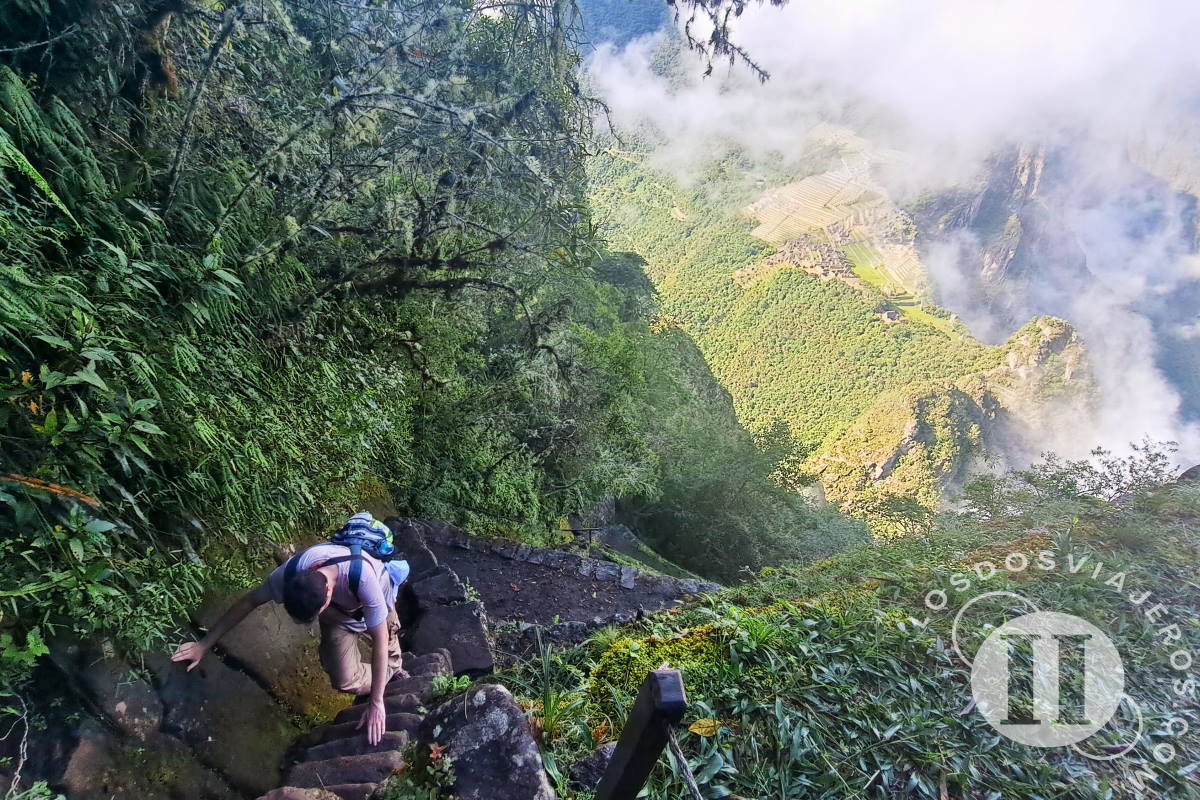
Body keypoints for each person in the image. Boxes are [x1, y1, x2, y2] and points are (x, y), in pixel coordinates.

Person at [171, 518, 408, 745]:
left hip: (375, 607)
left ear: (327, 596)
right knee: (343, 681)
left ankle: (393, 667)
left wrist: (376, 703)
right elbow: (249, 601)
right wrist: (203, 645)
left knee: (386, 648)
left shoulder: (363, 579)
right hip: (339, 617)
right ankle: (385, 673)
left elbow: (379, 639)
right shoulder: (291, 572)